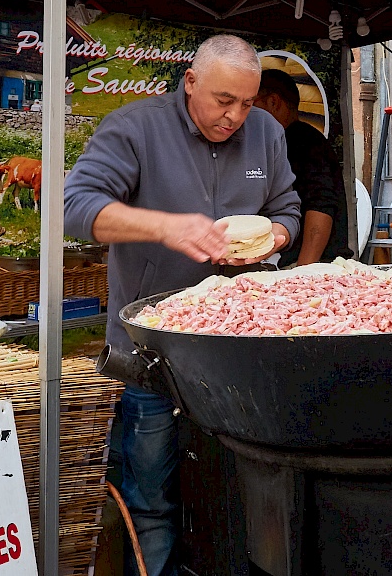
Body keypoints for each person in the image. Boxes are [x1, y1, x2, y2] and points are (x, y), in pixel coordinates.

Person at [63, 35, 300, 576]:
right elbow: (75, 208)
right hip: (153, 357)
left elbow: (288, 207)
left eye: (248, 102)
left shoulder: (265, 132)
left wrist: (273, 239)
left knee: (239, 493)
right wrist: (166, 227)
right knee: (151, 499)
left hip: (242, 353)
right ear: (189, 82)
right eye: (223, 100)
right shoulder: (135, 127)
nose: (235, 117)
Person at [254, 68, 352, 266]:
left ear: (273, 102)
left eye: (251, 105)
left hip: (316, 265)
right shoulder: (290, 141)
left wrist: (303, 271)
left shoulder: (303, 143)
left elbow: (321, 206)